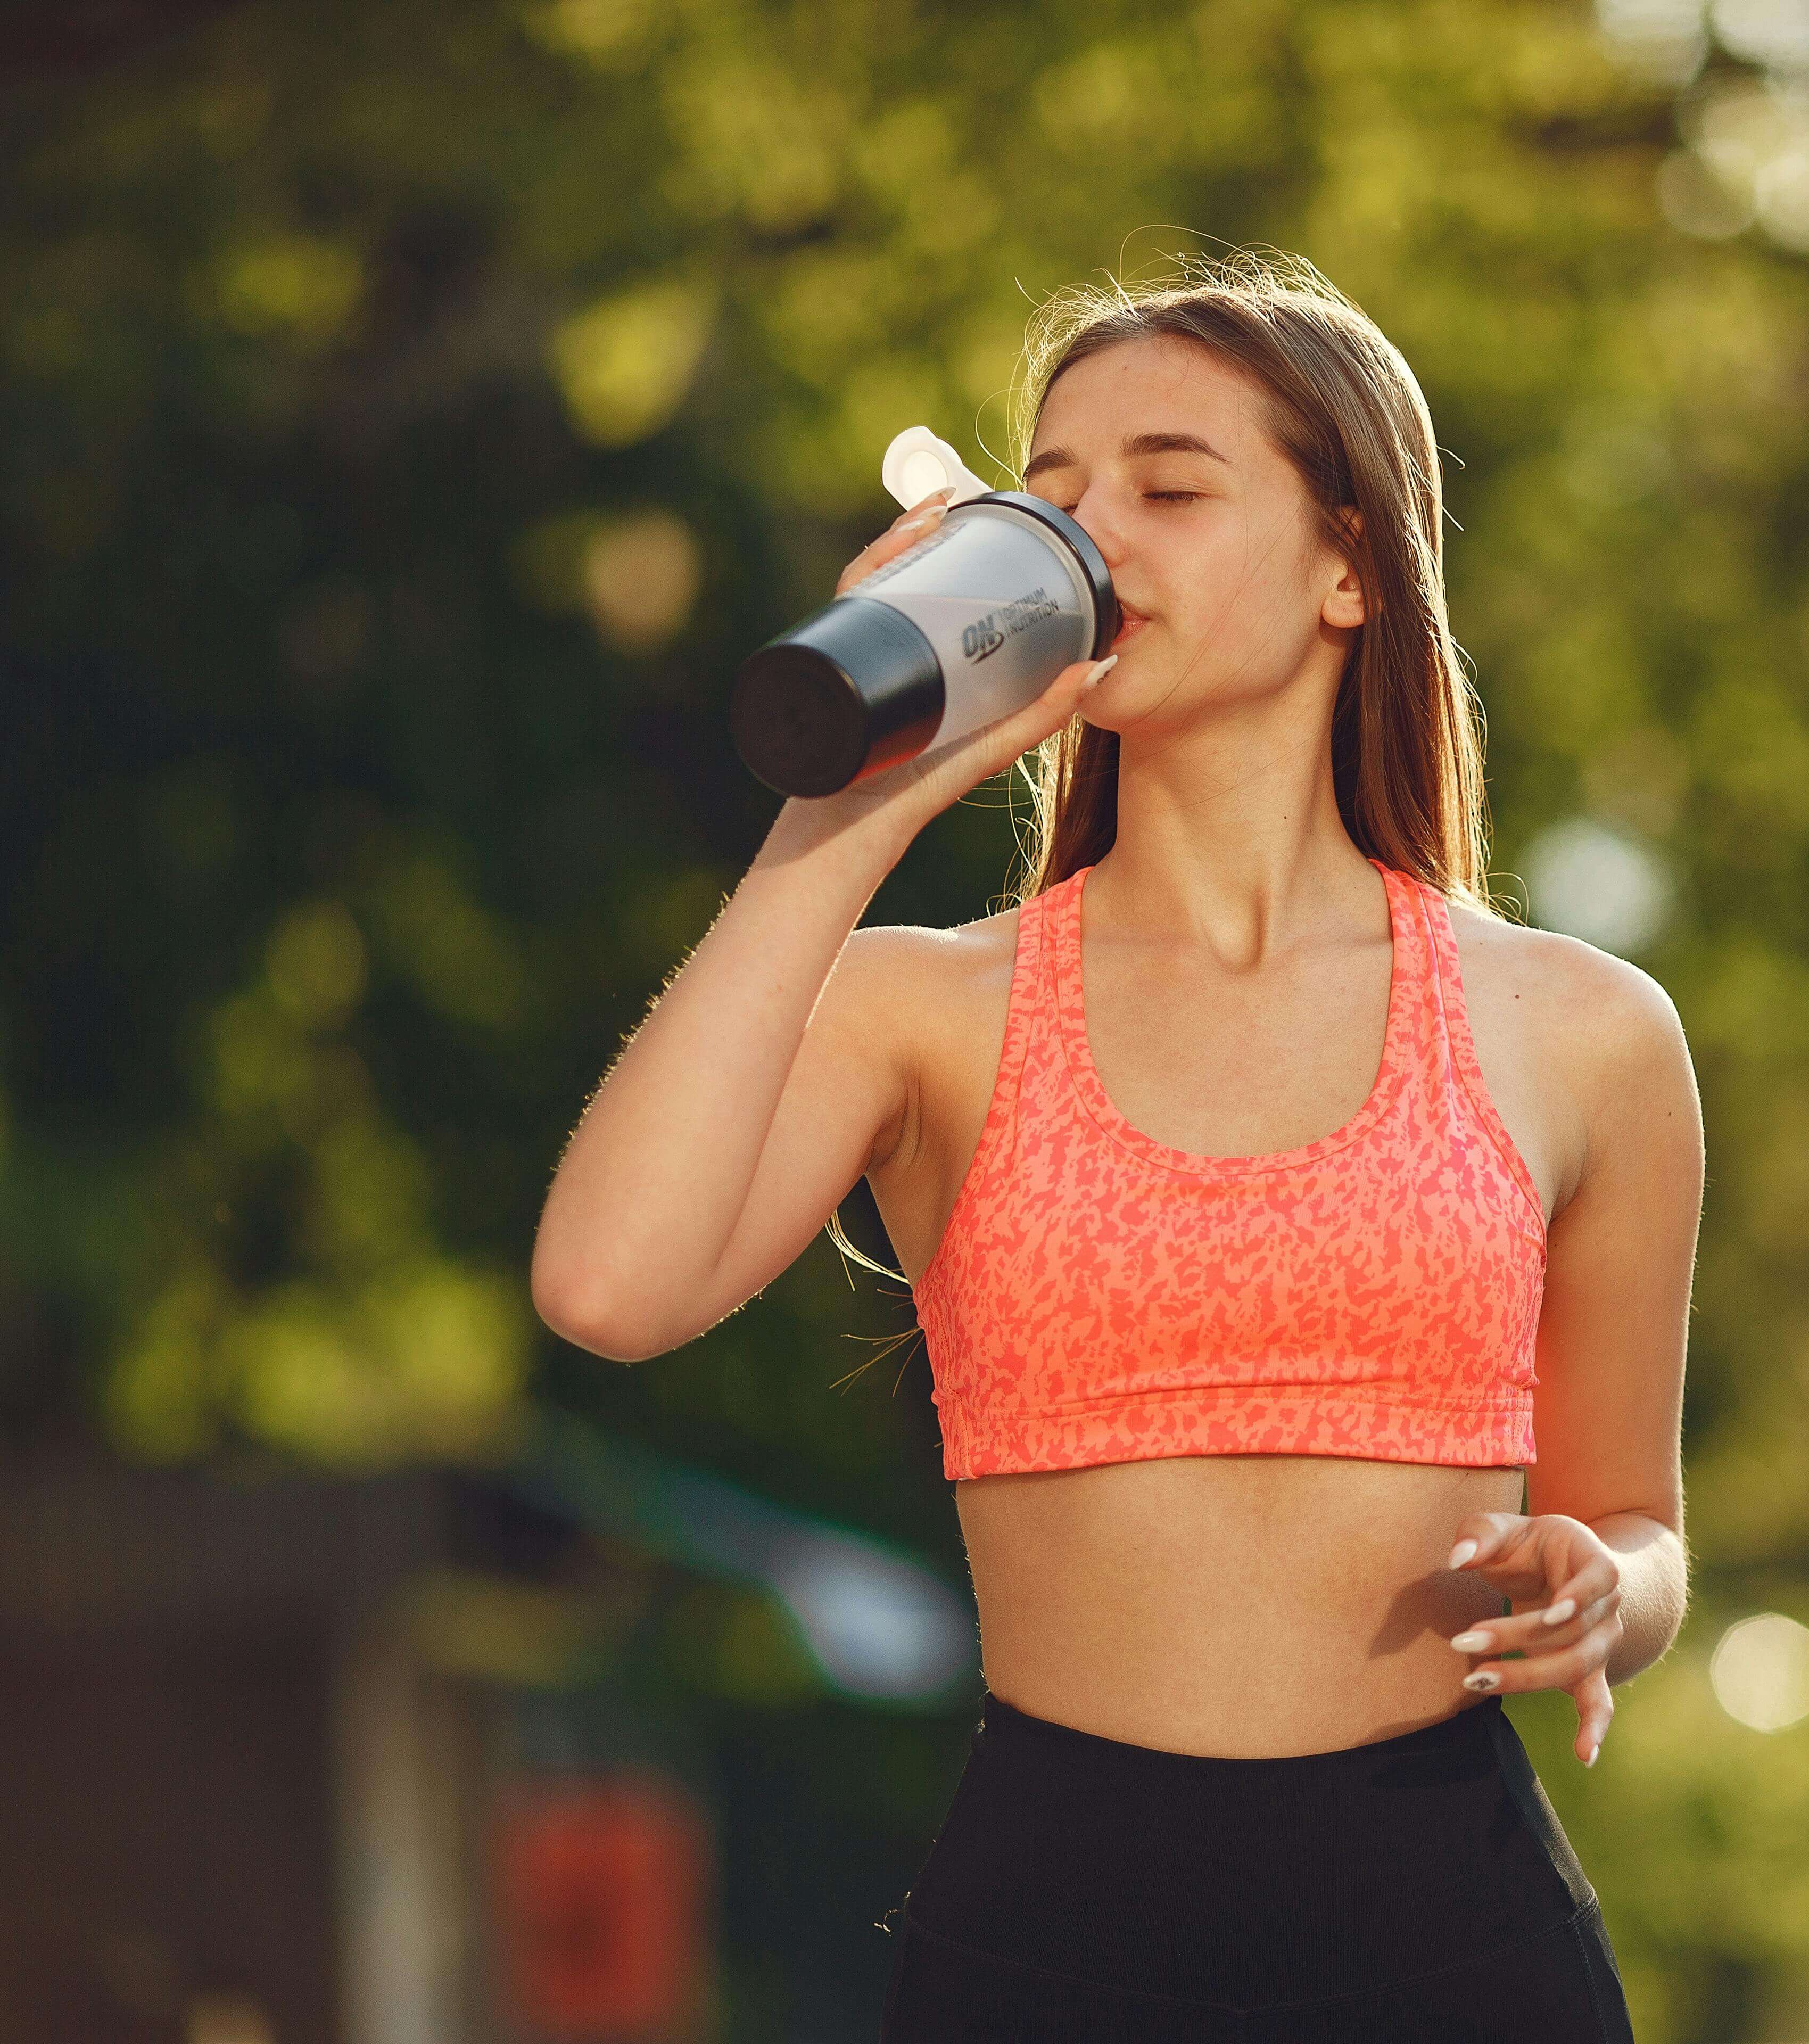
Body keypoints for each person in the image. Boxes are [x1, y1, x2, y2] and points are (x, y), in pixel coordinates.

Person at [529, 251, 1698, 2041]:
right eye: (1052, 496)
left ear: (1349, 567)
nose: (1094, 540)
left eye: (1170, 485)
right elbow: (608, 1289)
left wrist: (1608, 1594)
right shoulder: (927, 1006)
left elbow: (1641, 1523)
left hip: (1454, 1926)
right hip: (1053, 1922)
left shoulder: (1584, 1032)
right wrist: (849, 801)